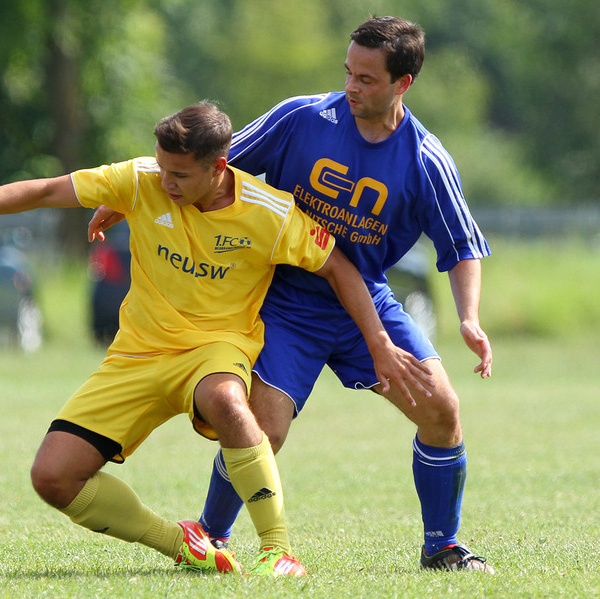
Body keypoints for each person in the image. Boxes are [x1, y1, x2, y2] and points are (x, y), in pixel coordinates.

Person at [0, 102, 432, 577]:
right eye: (162, 169)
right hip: (136, 355)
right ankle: (182, 544)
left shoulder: (270, 215)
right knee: (52, 478)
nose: (167, 182)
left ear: (219, 167)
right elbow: (49, 189)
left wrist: (379, 342)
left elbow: (341, 270)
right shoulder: (142, 179)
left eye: (180, 175)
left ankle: (277, 549)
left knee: (227, 398)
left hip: (215, 349)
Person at [88, 17, 494, 573]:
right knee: (264, 428)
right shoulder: (302, 118)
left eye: (368, 79)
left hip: (365, 304)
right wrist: (135, 191)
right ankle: (211, 533)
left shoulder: (425, 159)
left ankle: (442, 545)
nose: (351, 87)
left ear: (404, 84)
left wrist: (469, 318)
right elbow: (212, 161)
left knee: (442, 412)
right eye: (349, 72)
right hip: (284, 302)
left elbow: (461, 245)